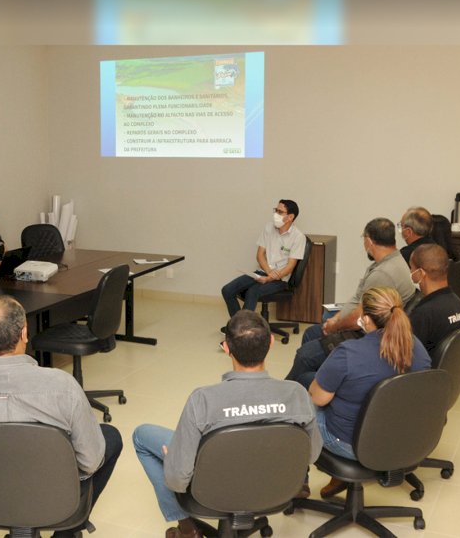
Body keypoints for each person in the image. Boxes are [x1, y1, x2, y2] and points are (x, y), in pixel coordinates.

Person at [0, 295, 122, 538]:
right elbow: (89, 460)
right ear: (25, 333)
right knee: (109, 437)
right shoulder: (61, 385)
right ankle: (66, 533)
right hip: (55, 494)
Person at [133, 311, 321, 538]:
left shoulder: (203, 399)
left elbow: (177, 480)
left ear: (226, 348)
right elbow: (311, 455)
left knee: (142, 436)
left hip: (211, 493)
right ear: (271, 343)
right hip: (276, 489)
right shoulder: (297, 394)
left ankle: (186, 528)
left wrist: (174, 458)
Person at [309, 287, 431, 498]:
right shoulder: (418, 348)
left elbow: (318, 398)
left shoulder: (348, 353)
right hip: (406, 438)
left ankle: (299, 486)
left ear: (365, 319)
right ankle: (340, 478)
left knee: (302, 405)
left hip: (353, 444)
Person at [285, 218, 416, 389]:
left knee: (304, 356)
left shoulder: (383, 273)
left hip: (364, 333)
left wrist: (335, 326)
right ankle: (319, 379)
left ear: (369, 241)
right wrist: (338, 317)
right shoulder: (391, 261)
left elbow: (360, 318)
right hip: (364, 326)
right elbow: (358, 299)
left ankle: (287, 397)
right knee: (311, 333)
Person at [221, 199, 306, 326]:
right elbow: (260, 255)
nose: (275, 214)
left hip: (280, 279)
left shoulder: (298, 237)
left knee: (252, 292)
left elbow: (289, 267)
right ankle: (238, 327)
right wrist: (267, 273)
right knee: (227, 290)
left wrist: (270, 278)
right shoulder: (268, 227)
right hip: (262, 272)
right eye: (275, 210)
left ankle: (242, 332)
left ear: (290, 217)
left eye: (280, 212)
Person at [409, 244, 460, 358]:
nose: (410, 272)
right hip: (445, 372)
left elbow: (405, 356)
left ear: (420, 273)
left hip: (425, 373)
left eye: (411, 268)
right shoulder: (458, 303)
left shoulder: (423, 313)